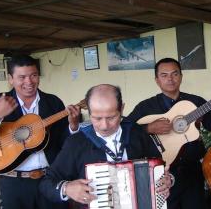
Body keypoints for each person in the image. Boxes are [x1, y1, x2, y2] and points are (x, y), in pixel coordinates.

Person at [0, 54, 81, 209]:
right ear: (10, 79)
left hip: (51, 180)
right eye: (22, 77)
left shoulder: (53, 102)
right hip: (14, 183)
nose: (29, 82)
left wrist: (72, 127)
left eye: (33, 75)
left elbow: (63, 142)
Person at [125, 57, 211, 209]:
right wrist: (148, 128)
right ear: (157, 80)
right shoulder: (145, 107)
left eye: (175, 74)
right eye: (164, 75)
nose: (170, 79)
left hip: (192, 172)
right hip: (161, 175)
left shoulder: (196, 102)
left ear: (181, 76)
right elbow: (125, 130)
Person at [39, 84, 172, 208]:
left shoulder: (137, 133)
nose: (104, 126)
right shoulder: (76, 143)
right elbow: (46, 183)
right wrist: (66, 188)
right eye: (97, 118)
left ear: (122, 109)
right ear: (89, 113)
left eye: (111, 117)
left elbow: (161, 168)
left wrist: (168, 180)